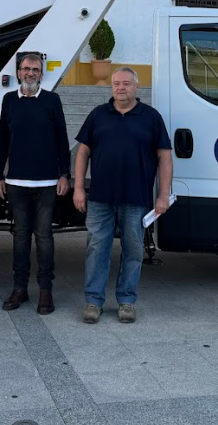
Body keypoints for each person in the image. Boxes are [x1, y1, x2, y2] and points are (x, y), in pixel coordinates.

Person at [72, 66, 173, 325]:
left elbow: (164, 157)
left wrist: (163, 195)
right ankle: (93, 301)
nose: (120, 88)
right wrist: (80, 188)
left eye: (126, 83)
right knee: (96, 248)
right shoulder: (98, 115)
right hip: (100, 197)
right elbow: (82, 152)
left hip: (136, 198)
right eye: (116, 83)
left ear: (136, 87)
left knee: (133, 251)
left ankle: (127, 300)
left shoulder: (150, 117)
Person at [0, 53, 69, 315]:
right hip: (16, 182)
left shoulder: (52, 100)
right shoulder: (9, 100)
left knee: (45, 237)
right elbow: (2, 139)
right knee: (21, 238)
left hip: (48, 182)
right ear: (18, 72)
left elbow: (62, 139)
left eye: (35, 69)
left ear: (42, 73)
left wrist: (65, 175)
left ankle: (45, 291)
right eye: (25, 68)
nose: (30, 73)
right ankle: (20, 289)